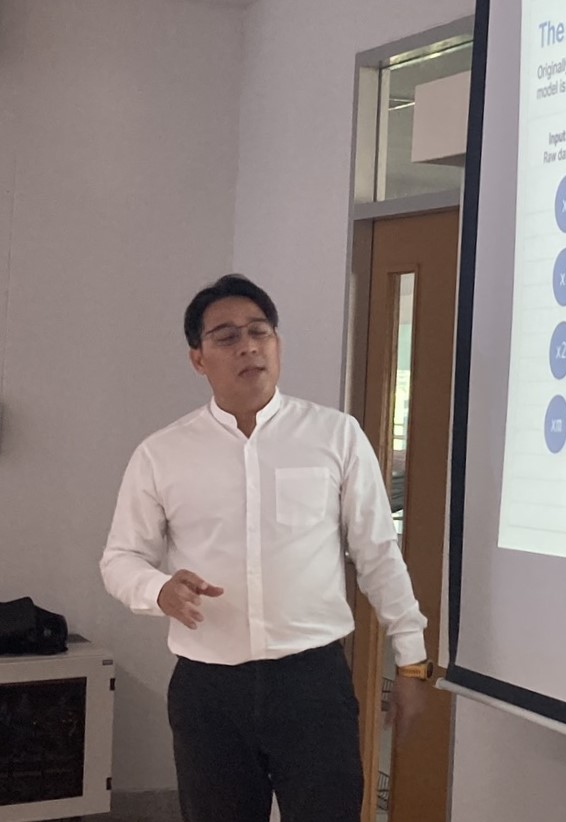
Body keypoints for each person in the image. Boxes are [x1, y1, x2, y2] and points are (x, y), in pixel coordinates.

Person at [100, 274, 431, 822]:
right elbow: (120, 559)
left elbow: (377, 553)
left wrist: (411, 659)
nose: (249, 346)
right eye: (227, 336)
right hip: (209, 690)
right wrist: (158, 590)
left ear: (277, 343)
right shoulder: (162, 454)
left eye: (260, 332)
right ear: (198, 359)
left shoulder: (335, 436)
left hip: (312, 685)